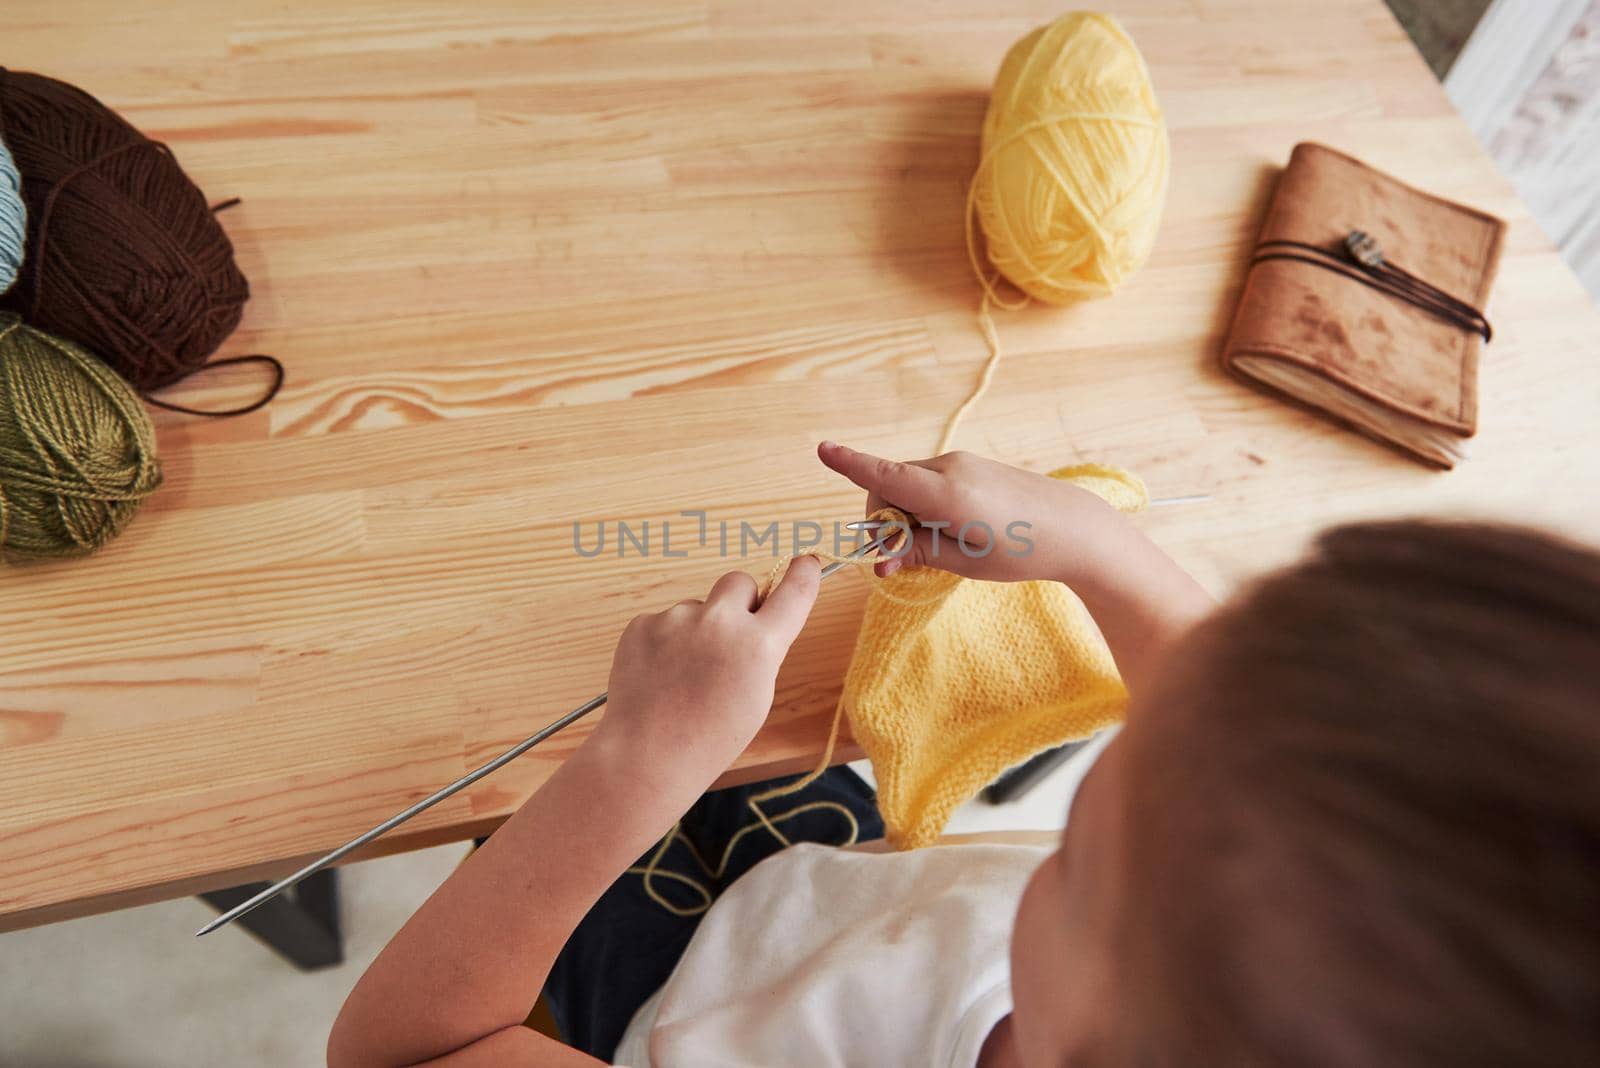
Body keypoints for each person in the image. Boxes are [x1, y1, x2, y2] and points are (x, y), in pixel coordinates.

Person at [328, 442, 1600, 1067]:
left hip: (653, 995)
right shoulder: (1259, 962)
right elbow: (1251, 733)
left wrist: (636, 765)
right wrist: (1097, 548)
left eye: (1085, 852)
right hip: (827, 905)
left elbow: (405, 1050)